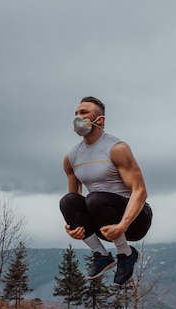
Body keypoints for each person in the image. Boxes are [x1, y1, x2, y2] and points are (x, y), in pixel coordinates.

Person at [60, 96, 153, 285]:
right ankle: (101, 255)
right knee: (67, 201)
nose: (78, 117)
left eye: (84, 112)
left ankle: (125, 254)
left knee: (95, 198)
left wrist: (122, 226)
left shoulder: (116, 148)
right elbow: (75, 200)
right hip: (104, 224)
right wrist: (75, 228)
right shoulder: (71, 157)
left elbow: (140, 191)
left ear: (99, 120)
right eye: (76, 113)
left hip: (135, 220)